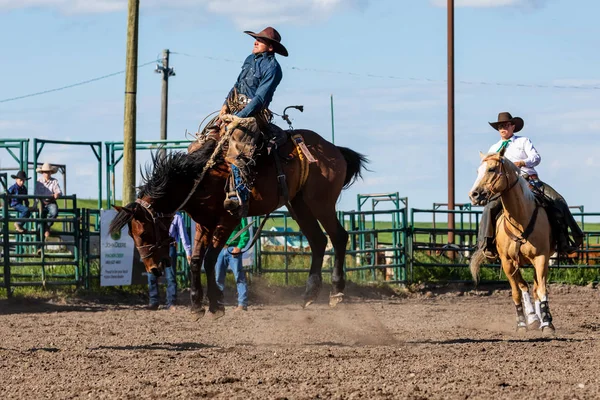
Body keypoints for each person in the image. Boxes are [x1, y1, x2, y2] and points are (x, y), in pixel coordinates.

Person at [478, 112, 584, 259]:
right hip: (506, 187)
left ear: (513, 126)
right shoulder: (494, 148)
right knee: (489, 208)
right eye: (500, 126)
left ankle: (568, 239)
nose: (503, 128)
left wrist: (522, 163)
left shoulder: (523, 141)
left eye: (506, 125)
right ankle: (486, 245)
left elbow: (536, 157)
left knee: (557, 200)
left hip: (529, 180)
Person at [219, 26, 288, 218]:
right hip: (234, 107)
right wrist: (225, 105)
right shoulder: (249, 60)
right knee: (206, 137)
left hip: (254, 114)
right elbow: (237, 83)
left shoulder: (273, 68)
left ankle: (239, 197)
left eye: (261, 41)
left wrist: (239, 117)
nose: (255, 42)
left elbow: (260, 98)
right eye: (256, 39)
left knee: (238, 147)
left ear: (270, 48)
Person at [147, 212, 192, 310]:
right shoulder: (154, 214)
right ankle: (153, 301)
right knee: (152, 274)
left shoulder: (176, 216)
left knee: (170, 275)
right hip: (156, 246)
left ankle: (171, 302)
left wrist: (188, 252)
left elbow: (183, 235)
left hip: (169, 246)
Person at [215, 218, 250, 311]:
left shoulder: (240, 216)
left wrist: (239, 247)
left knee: (239, 277)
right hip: (220, 249)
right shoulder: (220, 214)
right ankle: (218, 302)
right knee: (218, 277)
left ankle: (242, 303)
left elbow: (245, 232)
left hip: (233, 249)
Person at [34, 162, 62, 238]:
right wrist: (35, 204)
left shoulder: (54, 181)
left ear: (51, 172)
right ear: (42, 173)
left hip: (51, 202)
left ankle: (47, 226)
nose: (46, 173)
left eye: (48, 172)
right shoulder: (39, 181)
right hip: (41, 202)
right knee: (40, 219)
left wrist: (57, 194)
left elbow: (59, 191)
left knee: (54, 212)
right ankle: (39, 243)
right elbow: (36, 193)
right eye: (45, 172)